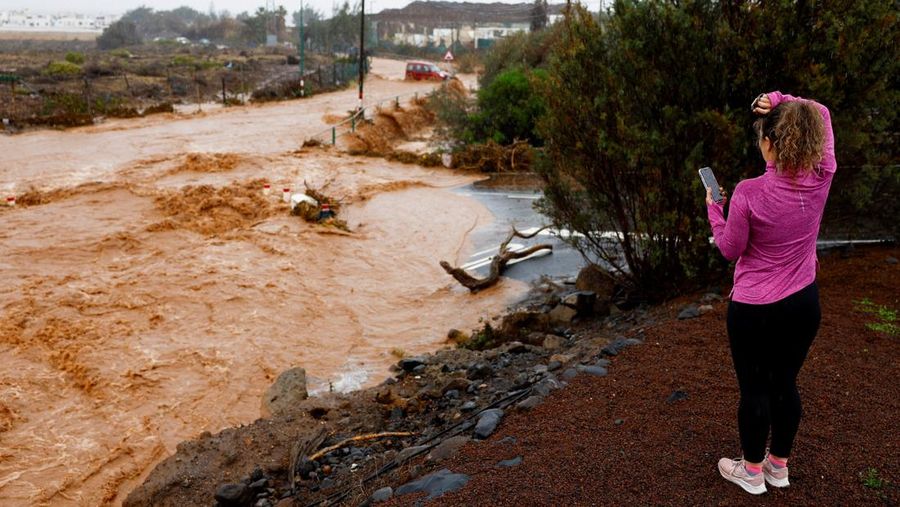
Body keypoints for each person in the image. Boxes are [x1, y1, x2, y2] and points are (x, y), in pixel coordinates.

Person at [706, 91, 835, 495]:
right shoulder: (823, 173)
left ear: (770, 144)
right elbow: (822, 111)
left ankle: (752, 472)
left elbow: (729, 249)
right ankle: (778, 467)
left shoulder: (748, 192)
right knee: (785, 384)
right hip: (803, 303)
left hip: (754, 309)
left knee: (755, 390)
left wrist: (713, 207)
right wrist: (779, 98)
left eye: (763, 137)